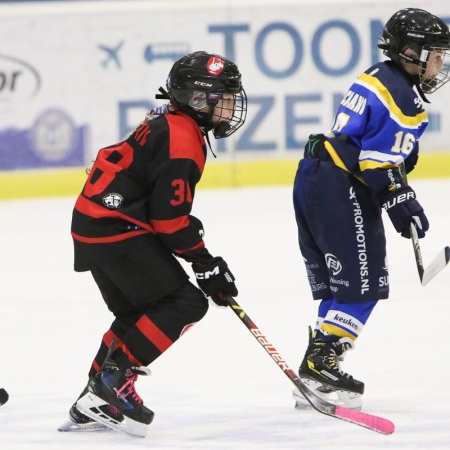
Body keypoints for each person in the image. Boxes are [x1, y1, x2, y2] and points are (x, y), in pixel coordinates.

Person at [58, 51, 247, 437]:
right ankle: (108, 388)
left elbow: (163, 210)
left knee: (138, 312)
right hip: (115, 227)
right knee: (185, 303)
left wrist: (201, 257)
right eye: (224, 96)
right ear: (199, 99)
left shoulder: (170, 121)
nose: (231, 105)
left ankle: (91, 400)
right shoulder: (182, 137)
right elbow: (169, 220)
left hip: (97, 222)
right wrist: (205, 263)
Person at [292, 8, 450, 410]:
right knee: (364, 282)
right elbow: (376, 163)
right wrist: (402, 200)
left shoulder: (378, 74)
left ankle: (315, 368)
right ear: (411, 52)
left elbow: (369, 146)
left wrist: (396, 186)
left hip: (313, 174)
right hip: (342, 187)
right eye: (434, 55)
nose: (440, 64)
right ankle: (320, 364)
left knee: (341, 282)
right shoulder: (405, 100)